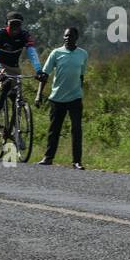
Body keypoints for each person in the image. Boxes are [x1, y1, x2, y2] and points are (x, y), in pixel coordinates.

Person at [37, 27, 88, 169]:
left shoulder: (83, 54)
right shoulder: (56, 53)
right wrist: (39, 94)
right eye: (65, 36)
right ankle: (48, 158)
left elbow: (81, 76)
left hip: (75, 98)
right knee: (54, 129)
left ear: (76, 37)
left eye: (70, 36)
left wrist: (80, 91)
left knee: (76, 129)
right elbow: (45, 75)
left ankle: (77, 161)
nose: (67, 38)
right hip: (57, 98)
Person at [0, 13, 45, 131]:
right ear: (6, 24)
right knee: (6, 83)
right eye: (12, 24)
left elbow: (32, 53)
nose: (15, 28)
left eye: (18, 25)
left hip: (14, 67)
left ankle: (14, 131)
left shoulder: (25, 35)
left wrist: (39, 70)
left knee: (16, 100)